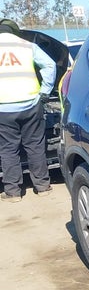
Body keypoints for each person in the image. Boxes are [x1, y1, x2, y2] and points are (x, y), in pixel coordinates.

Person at [0, 23, 56, 202]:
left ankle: (13, 192)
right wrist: (45, 91)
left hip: (3, 108)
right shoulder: (27, 46)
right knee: (35, 146)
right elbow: (50, 64)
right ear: (15, 32)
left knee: (8, 149)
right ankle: (42, 187)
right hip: (31, 104)